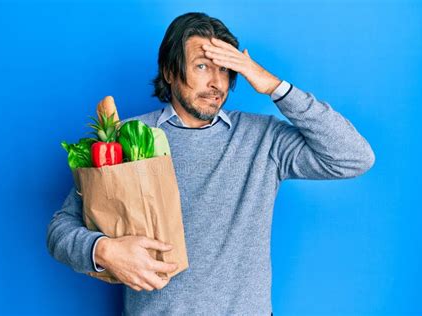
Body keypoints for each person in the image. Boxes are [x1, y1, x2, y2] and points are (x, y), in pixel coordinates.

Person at [46, 12, 375, 315]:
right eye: (203, 66)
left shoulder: (264, 140)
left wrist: (276, 87)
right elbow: (60, 231)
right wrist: (103, 251)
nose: (217, 82)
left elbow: (354, 157)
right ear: (170, 72)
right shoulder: (127, 138)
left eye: (225, 68)